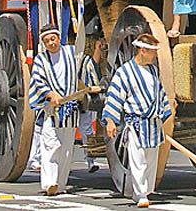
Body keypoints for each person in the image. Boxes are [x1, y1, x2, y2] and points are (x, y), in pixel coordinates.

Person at [102, 33, 172, 208]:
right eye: (153, 51)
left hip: (153, 123)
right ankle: (140, 193)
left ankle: (145, 191)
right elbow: (114, 96)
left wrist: (167, 110)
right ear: (142, 51)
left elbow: (160, 92)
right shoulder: (124, 72)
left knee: (150, 160)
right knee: (138, 159)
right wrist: (111, 120)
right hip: (137, 124)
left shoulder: (154, 70)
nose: (155, 55)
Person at [29, 23, 80, 195]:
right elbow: (38, 79)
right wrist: (51, 94)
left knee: (66, 148)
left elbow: (84, 64)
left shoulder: (71, 52)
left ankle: (61, 183)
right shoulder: (40, 59)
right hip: (52, 110)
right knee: (51, 144)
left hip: (70, 108)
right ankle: (49, 183)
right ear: (43, 43)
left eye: (53, 39)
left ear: (59, 38)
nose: (51, 43)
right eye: (47, 41)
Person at [78, 37, 103, 173]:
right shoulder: (83, 61)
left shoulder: (84, 61)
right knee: (84, 130)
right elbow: (94, 62)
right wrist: (98, 49)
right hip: (76, 96)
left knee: (86, 130)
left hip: (85, 99)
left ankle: (90, 161)